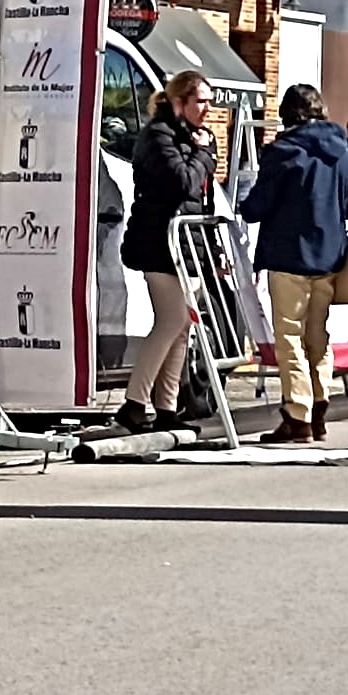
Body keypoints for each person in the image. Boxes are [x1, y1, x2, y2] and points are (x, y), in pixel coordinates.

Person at [242, 84, 348, 443]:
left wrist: (245, 204)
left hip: (289, 254)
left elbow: (257, 206)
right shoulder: (341, 151)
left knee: (289, 337)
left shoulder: (282, 152)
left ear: (288, 115)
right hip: (329, 255)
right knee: (318, 335)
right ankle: (320, 407)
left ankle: (298, 415)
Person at [113, 69, 216, 435]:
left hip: (188, 244)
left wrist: (213, 251)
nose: (208, 109)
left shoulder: (199, 138)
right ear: (178, 101)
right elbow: (182, 182)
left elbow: (201, 196)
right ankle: (134, 403)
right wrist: (202, 154)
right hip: (158, 242)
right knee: (171, 319)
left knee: (184, 326)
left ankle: (167, 405)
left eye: (210, 101)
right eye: (200, 101)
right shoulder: (157, 136)